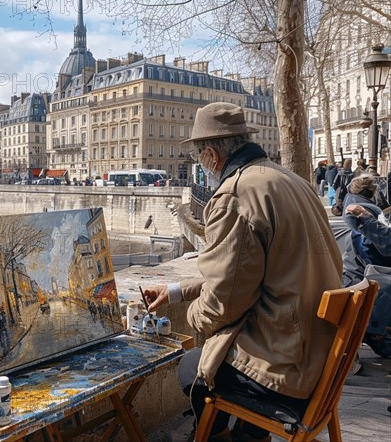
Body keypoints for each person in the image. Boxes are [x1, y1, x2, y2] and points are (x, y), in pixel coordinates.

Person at [142, 103, 342, 442]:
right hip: (322, 358)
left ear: (211, 155)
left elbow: (223, 303)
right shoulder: (292, 181)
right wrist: (177, 291)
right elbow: (246, 275)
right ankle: (248, 434)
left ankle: (215, 434)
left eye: (199, 159)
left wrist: (191, 317)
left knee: (191, 367)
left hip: (287, 367)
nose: (202, 167)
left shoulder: (235, 195)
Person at [342, 175, 391, 358]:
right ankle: (375, 332)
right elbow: (378, 248)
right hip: (363, 279)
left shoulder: (353, 207)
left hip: (353, 275)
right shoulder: (366, 212)